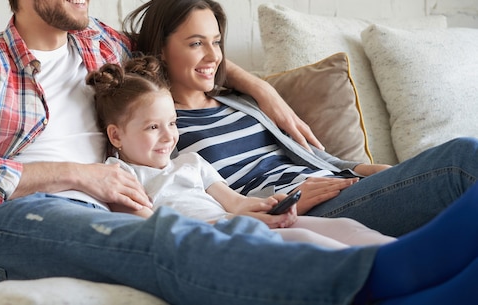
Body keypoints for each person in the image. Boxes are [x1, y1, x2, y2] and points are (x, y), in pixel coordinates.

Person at [0, 0, 478, 305]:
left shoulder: (102, 46)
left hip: (115, 206)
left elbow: (185, 49)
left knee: (231, 233)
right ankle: (394, 274)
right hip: (2, 226)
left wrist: (259, 86)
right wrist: (79, 174)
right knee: (166, 240)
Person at [123, 0, 478, 237]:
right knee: (462, 158)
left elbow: (317, 159)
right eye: (196, 43)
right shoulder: (159, 127)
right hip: (299, 211)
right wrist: (279, 202)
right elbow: (187, 198)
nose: (214, 56)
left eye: (216, 42)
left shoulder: (238, 101)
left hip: (339, 185)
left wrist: (374, 170)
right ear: (161, 49)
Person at [87, 55, 395, 248]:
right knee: (304, 240)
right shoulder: (120, 177)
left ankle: (408, 256)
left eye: (172, 123)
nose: (169, 136)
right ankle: (395, 275)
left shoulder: (191, 161)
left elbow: (237, 203)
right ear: (116, 135)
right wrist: (238, 223)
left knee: (344, 227)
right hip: (212, 239)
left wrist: (270, 207)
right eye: (153, 128)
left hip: (235, 224)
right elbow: (150, 230)